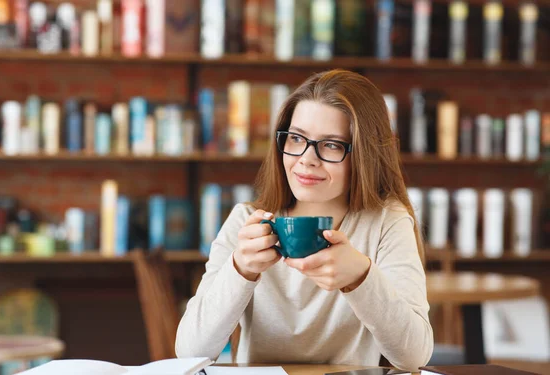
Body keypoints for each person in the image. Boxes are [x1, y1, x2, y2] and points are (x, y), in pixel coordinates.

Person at [176, 69, 433, 371]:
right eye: (296, 138)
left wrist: (361, 277)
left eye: (332, 145)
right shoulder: (246, 222)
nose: (307, 159)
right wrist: (240, 269)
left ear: (364, 154)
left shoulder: (385, 222)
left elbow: (414, 357)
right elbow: (190, 352)